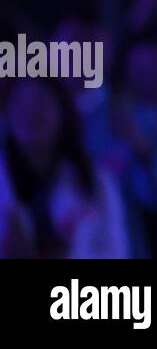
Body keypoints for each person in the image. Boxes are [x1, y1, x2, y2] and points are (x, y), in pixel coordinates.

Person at [0, 77, 129, 258]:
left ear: (63, 112)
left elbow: (116, 253)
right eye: (20, 103)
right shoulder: (5, 184)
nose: (31, 112)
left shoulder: (98, 182)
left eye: (41, 102)